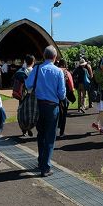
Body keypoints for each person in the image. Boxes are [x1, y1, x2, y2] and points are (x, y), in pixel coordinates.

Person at [25, 45, 66, 177]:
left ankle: (41, 161)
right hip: (52, 107)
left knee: (41, 135)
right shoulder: (58, 72)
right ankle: (45, 167)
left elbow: (28, 85)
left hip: (38, 105)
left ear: (44, 56)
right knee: (50, 137)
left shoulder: (37, 69)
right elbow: (61, 94)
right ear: (55, 57)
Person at [58, 59, 74, 137]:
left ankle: (55, 129)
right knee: (64, 114)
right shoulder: (67, 72)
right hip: (64, 95)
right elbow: (71, 85)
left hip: (55, 96)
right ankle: (61, 132)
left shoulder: (55, 70)